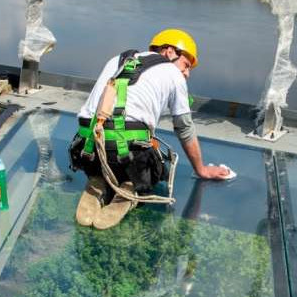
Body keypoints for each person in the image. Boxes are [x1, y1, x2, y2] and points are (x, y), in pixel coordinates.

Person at [69, 28, 231, 229]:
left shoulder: (119, 58)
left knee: (112, 140)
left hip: (85, 148)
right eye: (186, 65)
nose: (187, 73)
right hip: (123, 153)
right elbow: (184, 128)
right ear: (169, 52)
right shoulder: (174, 75)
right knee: (156, 167)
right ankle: (129, 188)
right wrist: (202, 169)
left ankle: (97, 179)